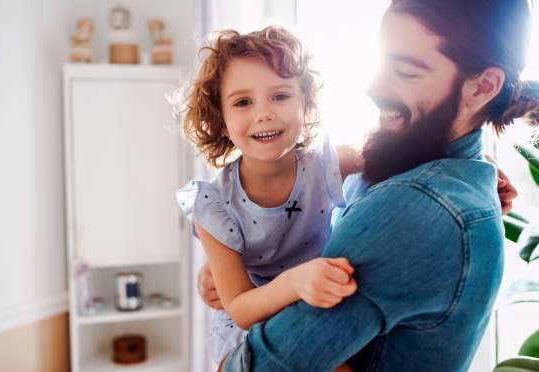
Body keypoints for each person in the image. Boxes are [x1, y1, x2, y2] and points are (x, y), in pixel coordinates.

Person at [210, 0, 537, 371]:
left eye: (405, 71)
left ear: (483, 88)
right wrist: (237, 271)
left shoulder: (412, 207)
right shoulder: (432, 167)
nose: (372, 86)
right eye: (382, 62)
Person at [173, 26, 360, 372]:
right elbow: (240, 308)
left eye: (281, 96)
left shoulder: (328, 164)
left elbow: (401, 154)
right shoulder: (212, 205)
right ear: (223, 121)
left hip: (317, 302)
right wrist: (295, 281)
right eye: (243, 102)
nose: (264, 113)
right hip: (252, 319)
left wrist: (477, 164)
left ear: (305, 103)